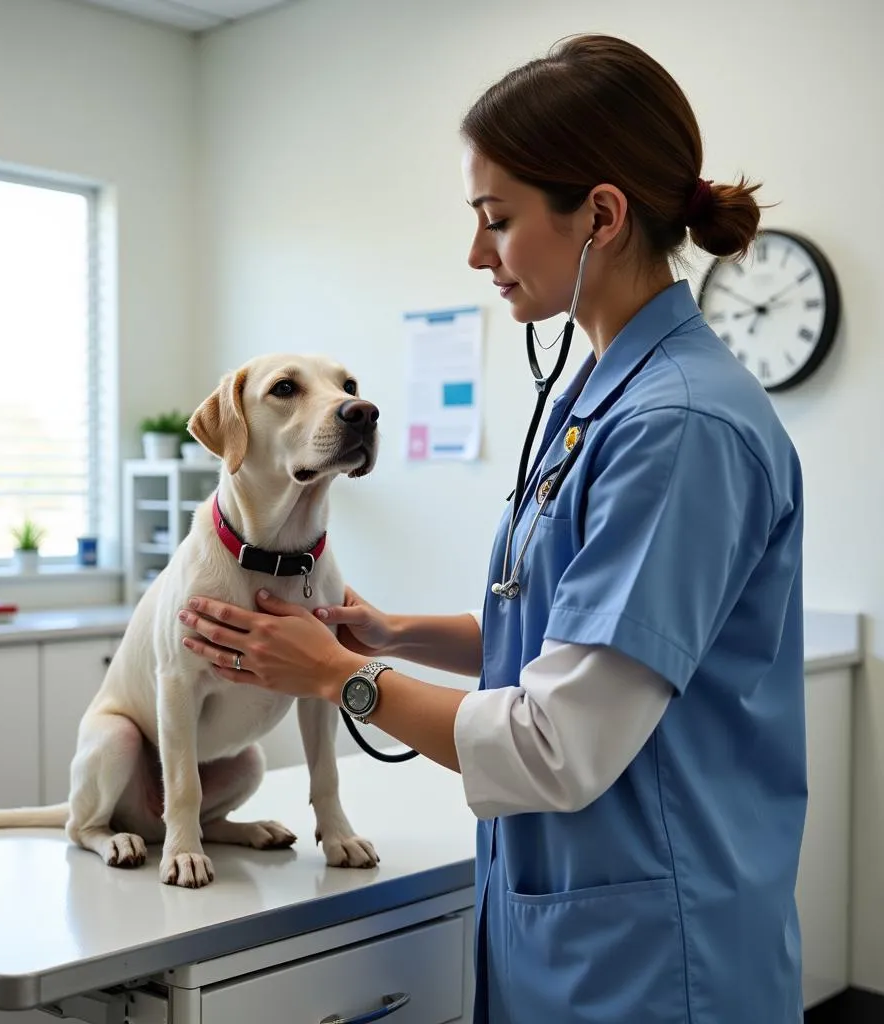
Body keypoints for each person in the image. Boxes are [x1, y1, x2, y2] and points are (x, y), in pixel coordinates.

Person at [176, 32, 806, 1024]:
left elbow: (558, 740)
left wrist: (340, 677)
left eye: (496, 220)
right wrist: (388, 635)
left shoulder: (677, 427)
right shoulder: (602, 396)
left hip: (653, 956)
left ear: (599, 215)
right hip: (572, 921)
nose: (476, 254)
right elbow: (568, 637)